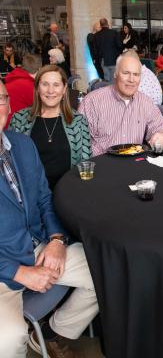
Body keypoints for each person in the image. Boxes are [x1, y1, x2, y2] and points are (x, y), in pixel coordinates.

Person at [0, 81, 98, 358]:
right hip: (3, 271)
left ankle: (53, 332)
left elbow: (44, 199)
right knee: (7, 340)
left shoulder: (21, 144)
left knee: (107, 269)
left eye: (1, 99)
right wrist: (19, 272)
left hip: (40, 249)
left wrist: (56, 240)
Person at [78, 50, 163, 156]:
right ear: (115, 73)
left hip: (133, 166)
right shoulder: (92, 102)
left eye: (136, 74)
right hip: (101, 166)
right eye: (126, 73)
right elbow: (79, 143)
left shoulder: (145, 102)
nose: (131, 79)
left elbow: (162, 127)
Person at [9, 65, 91, 190]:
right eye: (45, 84)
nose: (50, 91)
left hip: (69, 192)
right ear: (37, 88)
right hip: (32, 195)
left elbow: (85, 163)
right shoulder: (19, 119)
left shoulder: (78, 121)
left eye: (56, 85)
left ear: (64, 90)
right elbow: (10, 162)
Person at [4, 54, 42, 128]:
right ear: (40, 68)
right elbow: (43, 109)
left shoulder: (12, 79)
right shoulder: (31, 86)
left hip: (5, 124)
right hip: (16, 127)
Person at [94, 17, 123, 82]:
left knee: (107, 79)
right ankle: (112, 92)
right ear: (107, 24)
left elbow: (95, 50)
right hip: (114, 59)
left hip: (103, 60)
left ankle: (107, 91)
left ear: (101, 25)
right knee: (114, 79)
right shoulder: (114, 33)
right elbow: (119, 45)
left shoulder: (96, 35)